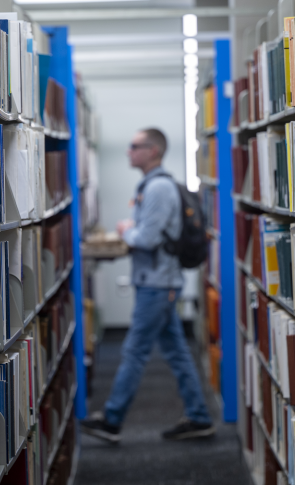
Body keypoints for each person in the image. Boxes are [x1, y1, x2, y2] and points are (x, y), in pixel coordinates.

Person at [80, 128, 214, 443]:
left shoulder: (158, 189)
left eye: (135, 146)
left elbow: (147, 238)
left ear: (153, 151)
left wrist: (126, 230)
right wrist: (133, 230)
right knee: (177, 352)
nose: (128, 151)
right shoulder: (152, 186)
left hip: (158, 285)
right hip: (158, 282)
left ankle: (112, 420)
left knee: (135, 350)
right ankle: (199, 416)